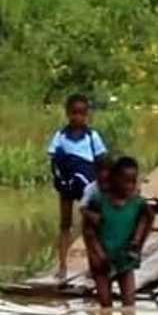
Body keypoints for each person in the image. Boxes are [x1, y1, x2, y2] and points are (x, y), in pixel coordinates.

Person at [48, 94, 108, 282]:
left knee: (90, 226)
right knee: (65, 224)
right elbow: (53, 159)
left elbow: (101, 162)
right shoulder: (61, 136)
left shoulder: (92, 137)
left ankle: (93, 266)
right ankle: (63, 266)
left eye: (82, 113)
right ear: (67, 113)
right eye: (74, 113)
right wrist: (59, 178)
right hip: (66, 184)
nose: (77, 117)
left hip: (87, 186)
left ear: (87, 115)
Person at [83, 157, 155, 308]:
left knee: (129, 306)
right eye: (126, 181)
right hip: (103, 261)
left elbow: (149, 218)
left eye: (133, 181)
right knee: (105, 306)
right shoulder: (98, 201)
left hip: (125, 261)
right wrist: (97, 254)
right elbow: (89, 231)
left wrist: (138, 244)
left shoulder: (137, 203)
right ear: (114, 179)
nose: (130, 186)